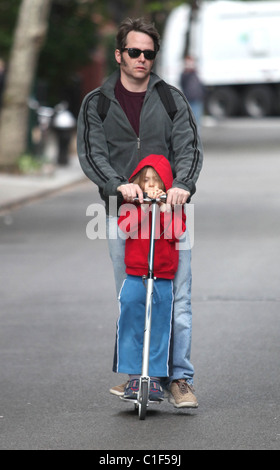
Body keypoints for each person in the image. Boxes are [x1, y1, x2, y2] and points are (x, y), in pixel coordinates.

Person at [77, 17, 203, 408]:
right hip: (122, 214)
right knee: (133, 295)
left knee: (177, 298)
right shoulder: (97, 103)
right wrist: (118, 184)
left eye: (149, 54)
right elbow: (91, 154)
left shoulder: (171, 99)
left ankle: (178, 378)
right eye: (134, 52)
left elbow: (189, 148)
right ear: (119, 54)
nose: (142, 59)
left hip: (171, 213)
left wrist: (183, 184)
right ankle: (139, 378)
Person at [115, 154, 186, 402]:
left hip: (163, 277)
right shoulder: (132, 207)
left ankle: (154, 378)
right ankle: (134, 375)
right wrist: (144, 208)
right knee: (130, 323)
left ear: (166, 184)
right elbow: (125, 229)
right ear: (139, 183)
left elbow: (176, 233)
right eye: (147, 181)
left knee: (159, 327)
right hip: (136, 276)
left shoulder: (175, 209)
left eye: (157, 182)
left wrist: (165, 210)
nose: (152, 186)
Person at [180, 56, 204, 127]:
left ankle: (196, 137)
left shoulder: (195, 73)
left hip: (197, 99)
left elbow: (200, 85)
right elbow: (183, 84)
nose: (190, 64)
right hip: (189, 100)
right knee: (190, 121)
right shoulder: (185, 74)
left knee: (197, 121)